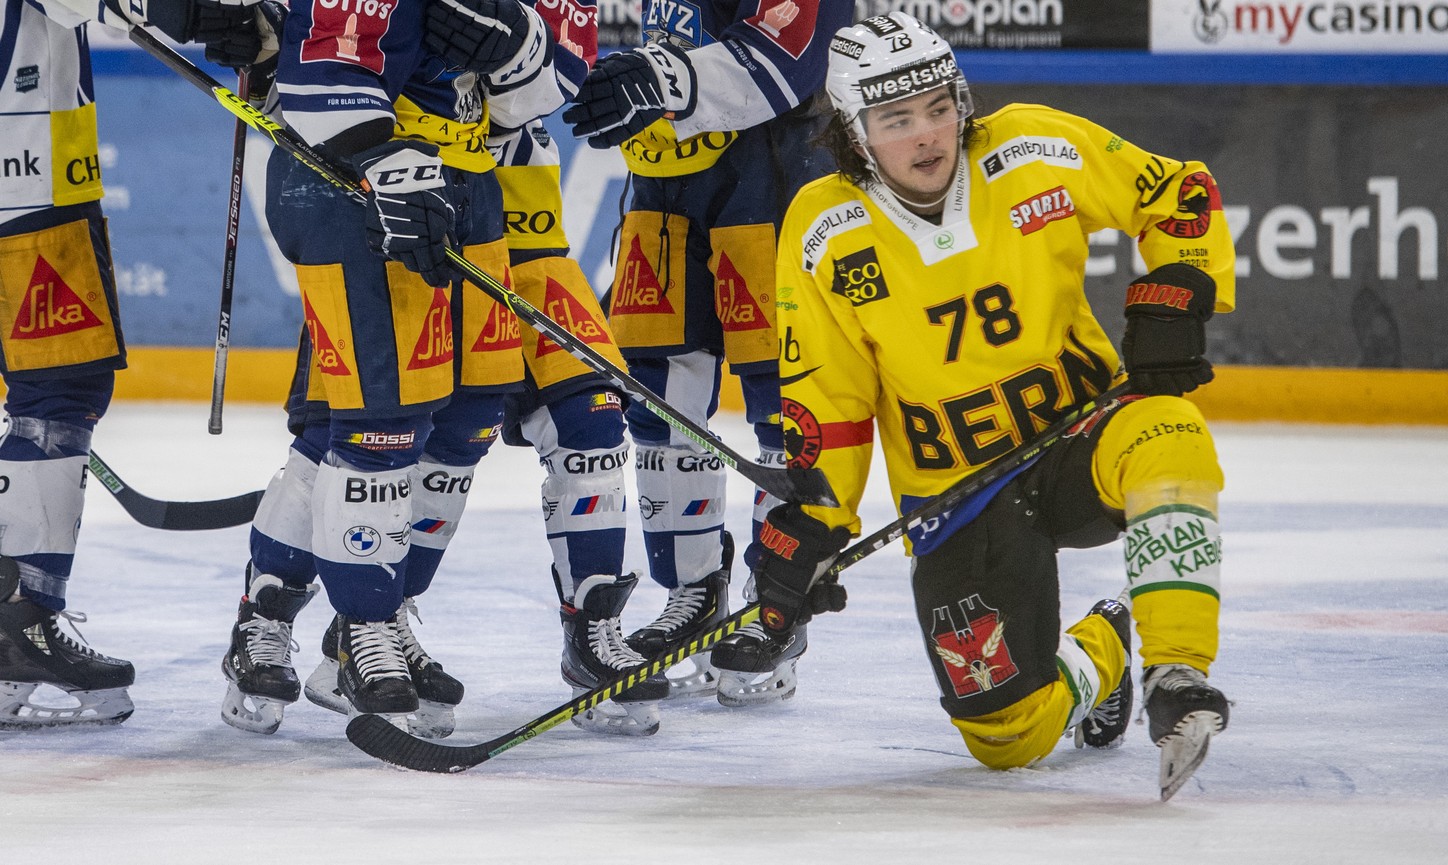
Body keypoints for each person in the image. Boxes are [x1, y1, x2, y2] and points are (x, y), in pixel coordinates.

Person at [755, 12, 1234, 799]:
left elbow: (1177, 191)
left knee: (1169, 429)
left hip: (1082, 442)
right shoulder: (824, 227)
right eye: (897, 120)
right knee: (1009, 736)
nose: (928, 135)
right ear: (852, 127)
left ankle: (1177, 672)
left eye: (940, 107)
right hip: (958, 499)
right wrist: (815, 520)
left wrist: (1175, 294)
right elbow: (831, 396)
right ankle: (1102, 651)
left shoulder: (1032, 148)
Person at [219, 0, 669, 738]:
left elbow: (555, 80)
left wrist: (521, 49)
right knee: (367, 422)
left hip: (488, 195)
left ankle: (380, 619)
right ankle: (285, 615)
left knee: (470, 423)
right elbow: (324, 59)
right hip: (374, 187)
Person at [559, 0, 855, 707]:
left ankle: (775, 601)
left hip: (777, 162)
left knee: (786, 397)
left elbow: (790, 53)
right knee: (659, 394)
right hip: (664, 171)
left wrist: (653, 78)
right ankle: (693, 588)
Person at [0, 0, 274, 729]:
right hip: (24, 176)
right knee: (57, 390)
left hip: (31, 162)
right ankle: (17, 621)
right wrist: (205, 13)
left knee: (55, 391)